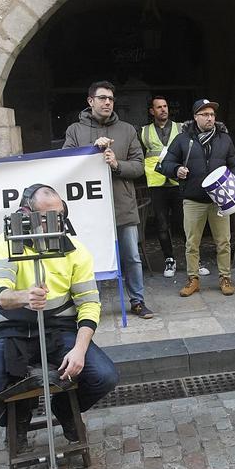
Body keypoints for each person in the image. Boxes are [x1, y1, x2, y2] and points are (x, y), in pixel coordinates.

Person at [0, 184, 118, 444]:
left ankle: (65, 410)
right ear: (26, 214)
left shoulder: (76, 249)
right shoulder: (7, 244)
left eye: (58, 216)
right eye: (45, 218)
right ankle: (18, 416)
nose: (54, 223)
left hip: (60, 329)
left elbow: (89, 302)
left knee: (105, 377)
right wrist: (24, 296)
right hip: (14, 332)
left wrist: (79, 348)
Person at [63, 81, 153, 319]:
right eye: (102, 98)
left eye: (111, 99)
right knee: (88, 259)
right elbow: (65, 164)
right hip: (89, 209)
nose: (107, 103)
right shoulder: (74, 130)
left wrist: (116, 164)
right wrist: (92, 154)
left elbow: (138, 167)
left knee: (131, 257)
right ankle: (92, 304)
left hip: (122, 205)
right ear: (90, 101)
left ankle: (137, 300)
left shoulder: (127, 130)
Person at [158, 99, 235, 297]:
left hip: (219, 199)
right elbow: (165, 163)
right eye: (205, 115)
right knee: (192, 242)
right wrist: (177, 170)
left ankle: (225, 277)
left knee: (223, 242)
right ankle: (193, 279)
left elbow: (234, 164)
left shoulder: (224, 139)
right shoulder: (183, 139)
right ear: (195, 117)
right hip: (193, 199)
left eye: (212, 114)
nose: (210, 118)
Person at [138, 96, 184, 279]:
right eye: (159, 107)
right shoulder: (143, 131)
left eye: (165, 106)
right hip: (156, 182)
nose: (163, 109)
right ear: (152, 111)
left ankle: (193, 259)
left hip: (177, 180)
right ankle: (169, 259)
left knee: (184, 222)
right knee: (162, 224)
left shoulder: (181, 128)